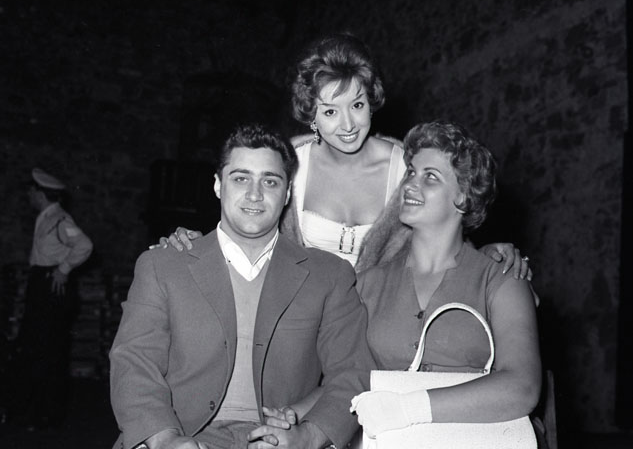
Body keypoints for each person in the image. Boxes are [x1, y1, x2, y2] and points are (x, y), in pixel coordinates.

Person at [103, 124, 374, 449]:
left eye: (270, 181)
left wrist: (310, 437)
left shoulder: (328, 275)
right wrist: (162, 440)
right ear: (218, 185)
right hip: (185, 436)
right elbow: (133, 363)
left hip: (285, 448)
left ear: (287, 193)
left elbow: (352, 372)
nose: (254, 194)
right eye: (240, 178)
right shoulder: (164, 265)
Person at [164, 33, 532, 277]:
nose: (348, 125)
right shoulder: (288, 162)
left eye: (357, 104)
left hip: (381, 330)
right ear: (311, 116)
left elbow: (442, 234)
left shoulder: (407, 166)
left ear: (371, 100)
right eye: (330, 111)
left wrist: (484, 255)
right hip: (299, 326)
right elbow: (246, 223)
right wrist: (193, 242)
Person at [346, 120, 563, 449]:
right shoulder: (367, 285)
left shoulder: (501, 278)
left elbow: (522, 386)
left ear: (463, 196)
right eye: (411, 172)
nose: (411, 184)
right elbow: (345, 377)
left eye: (430, 177)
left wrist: (408, 408)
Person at [4, 168, 93, 428]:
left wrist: (63, 270)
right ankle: (28, 410)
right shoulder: (46, 218)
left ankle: (46, 414)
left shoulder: (59, 220)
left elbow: (85, 245)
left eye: (31, 191)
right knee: (34, 347)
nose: (29, 196)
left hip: (51, 287)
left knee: (48, 350)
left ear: (40, 194)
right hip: (40, 284)